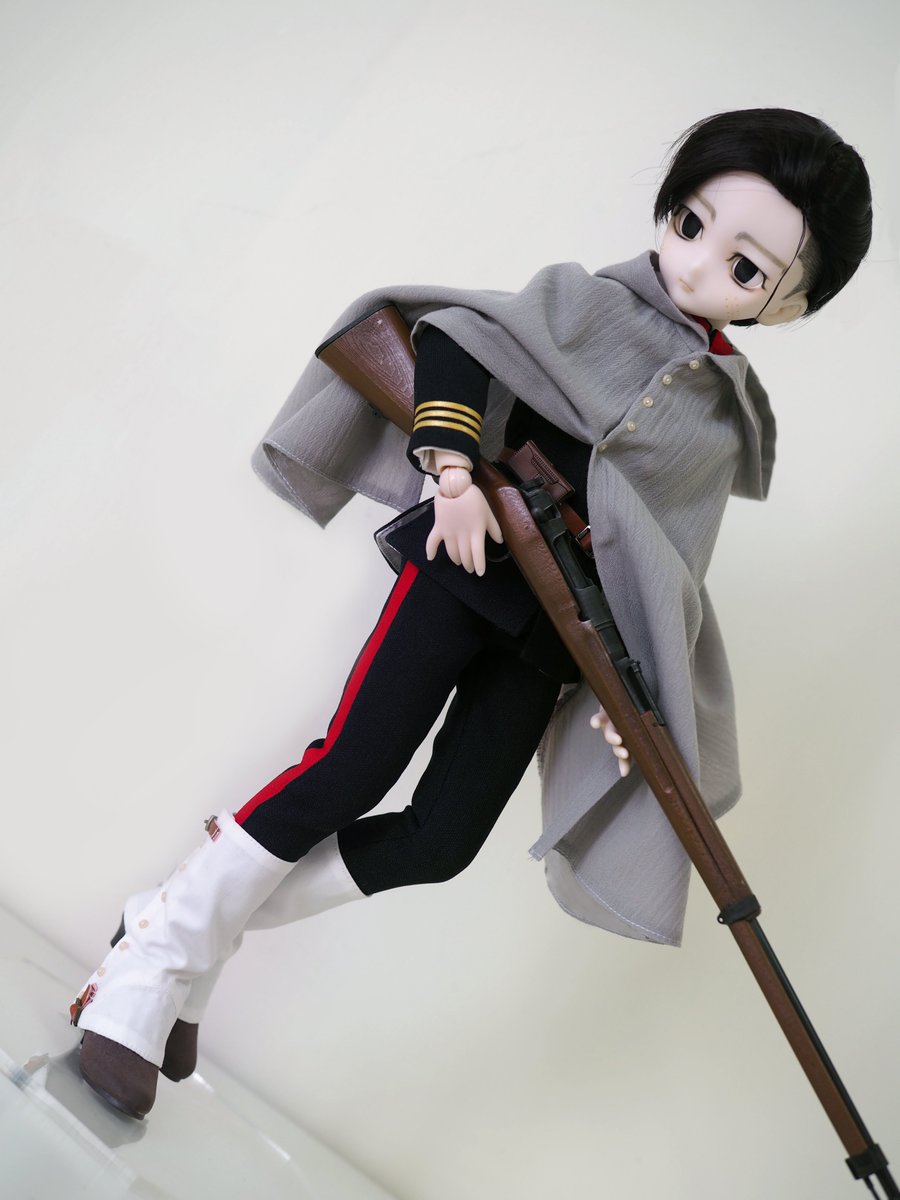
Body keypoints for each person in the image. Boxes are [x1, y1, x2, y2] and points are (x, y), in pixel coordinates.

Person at [70, 108, 872, 1119]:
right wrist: (450, 472)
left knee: (443, 839)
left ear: (790, 304)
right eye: (692, 222)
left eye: (748, 269)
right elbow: (459, 341)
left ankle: (176, 925)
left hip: (555, 642)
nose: (701, 263)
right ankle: (153, 968)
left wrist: (631, 699)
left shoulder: (720, 421)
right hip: (467, 566)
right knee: (348, 768)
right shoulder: (584, 303)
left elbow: (662, 568)